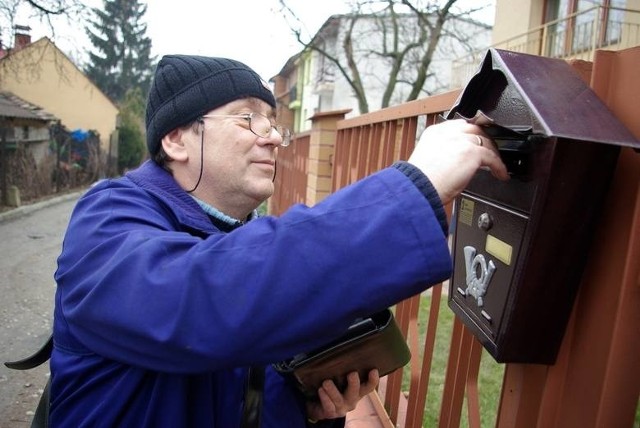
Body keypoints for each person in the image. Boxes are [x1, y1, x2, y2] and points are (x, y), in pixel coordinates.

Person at [50, 55, 508, 427]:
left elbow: (237, 384)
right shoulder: (106, 221)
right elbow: (205, 302)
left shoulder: (242, 238)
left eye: (274, 123)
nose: (272, 138)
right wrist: (415, 186)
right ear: (176, 139)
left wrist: (308, 406)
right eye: (249, 118)